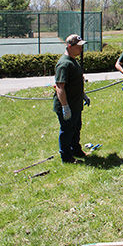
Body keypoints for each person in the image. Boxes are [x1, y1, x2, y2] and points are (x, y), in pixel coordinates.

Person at [53, 34, 91, 163]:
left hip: (76, 103)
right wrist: (65, 106)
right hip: (67, 105)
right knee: (67, 131)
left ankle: (76, 150)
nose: (81, 49)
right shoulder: (64, 64)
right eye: (79, 47)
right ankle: (67, 157)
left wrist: (83, 95)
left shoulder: (73, 60)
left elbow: (76, 81)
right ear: (70, 46)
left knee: (76, 129)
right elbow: (60, 87)